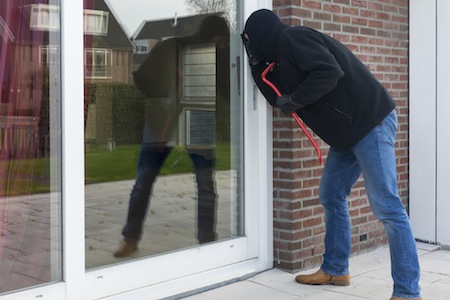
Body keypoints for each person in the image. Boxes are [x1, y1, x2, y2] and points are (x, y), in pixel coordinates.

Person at [242, 9, 421, 300]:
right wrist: (254, 63)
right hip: (347, 135)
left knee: (387, 207)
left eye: (250, 40)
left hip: (370, 122)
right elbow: (275, 98)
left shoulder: (293, 38)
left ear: (262, 33)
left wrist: (296, 99)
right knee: (331, 194)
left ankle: (408, 292)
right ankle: (336, 269)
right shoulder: (278, 61)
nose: (249, 45)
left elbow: (328, 71)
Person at [114, 15, 230, 258]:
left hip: (196, 122)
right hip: (162, 123)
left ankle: (206, 241)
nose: (223, 46)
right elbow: (140, 77)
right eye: (221, 41)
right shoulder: (169, 48)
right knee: (145, 181)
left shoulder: (218, 57)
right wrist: (164, 100)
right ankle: (131, 238)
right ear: (215, 37)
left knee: (204, 183)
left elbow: (229, 91)